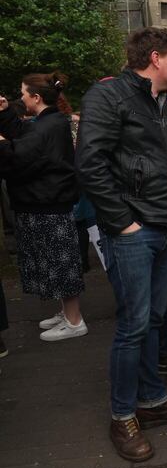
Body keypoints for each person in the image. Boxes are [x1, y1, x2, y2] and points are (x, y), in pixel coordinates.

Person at [77, 27, 167, 462]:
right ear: (154, 57)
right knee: (133, 324)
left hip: (165, 226)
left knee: (156, 317)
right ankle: (123, 414)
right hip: (133, 230)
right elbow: (90, 164)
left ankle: (152, 399)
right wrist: (122, 221)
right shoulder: (109, 96)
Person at [0, 74, 86, 342]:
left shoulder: (46, 127)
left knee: (61, 263)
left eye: (23, 94)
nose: (20, 98)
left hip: (48, 203)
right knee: (54, 262)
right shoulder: (48, 122)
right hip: (45, 201)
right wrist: (3, 113)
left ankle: (74, 321)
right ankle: (67, 313)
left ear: (36, 98)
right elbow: (22, 133)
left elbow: (18, 155)